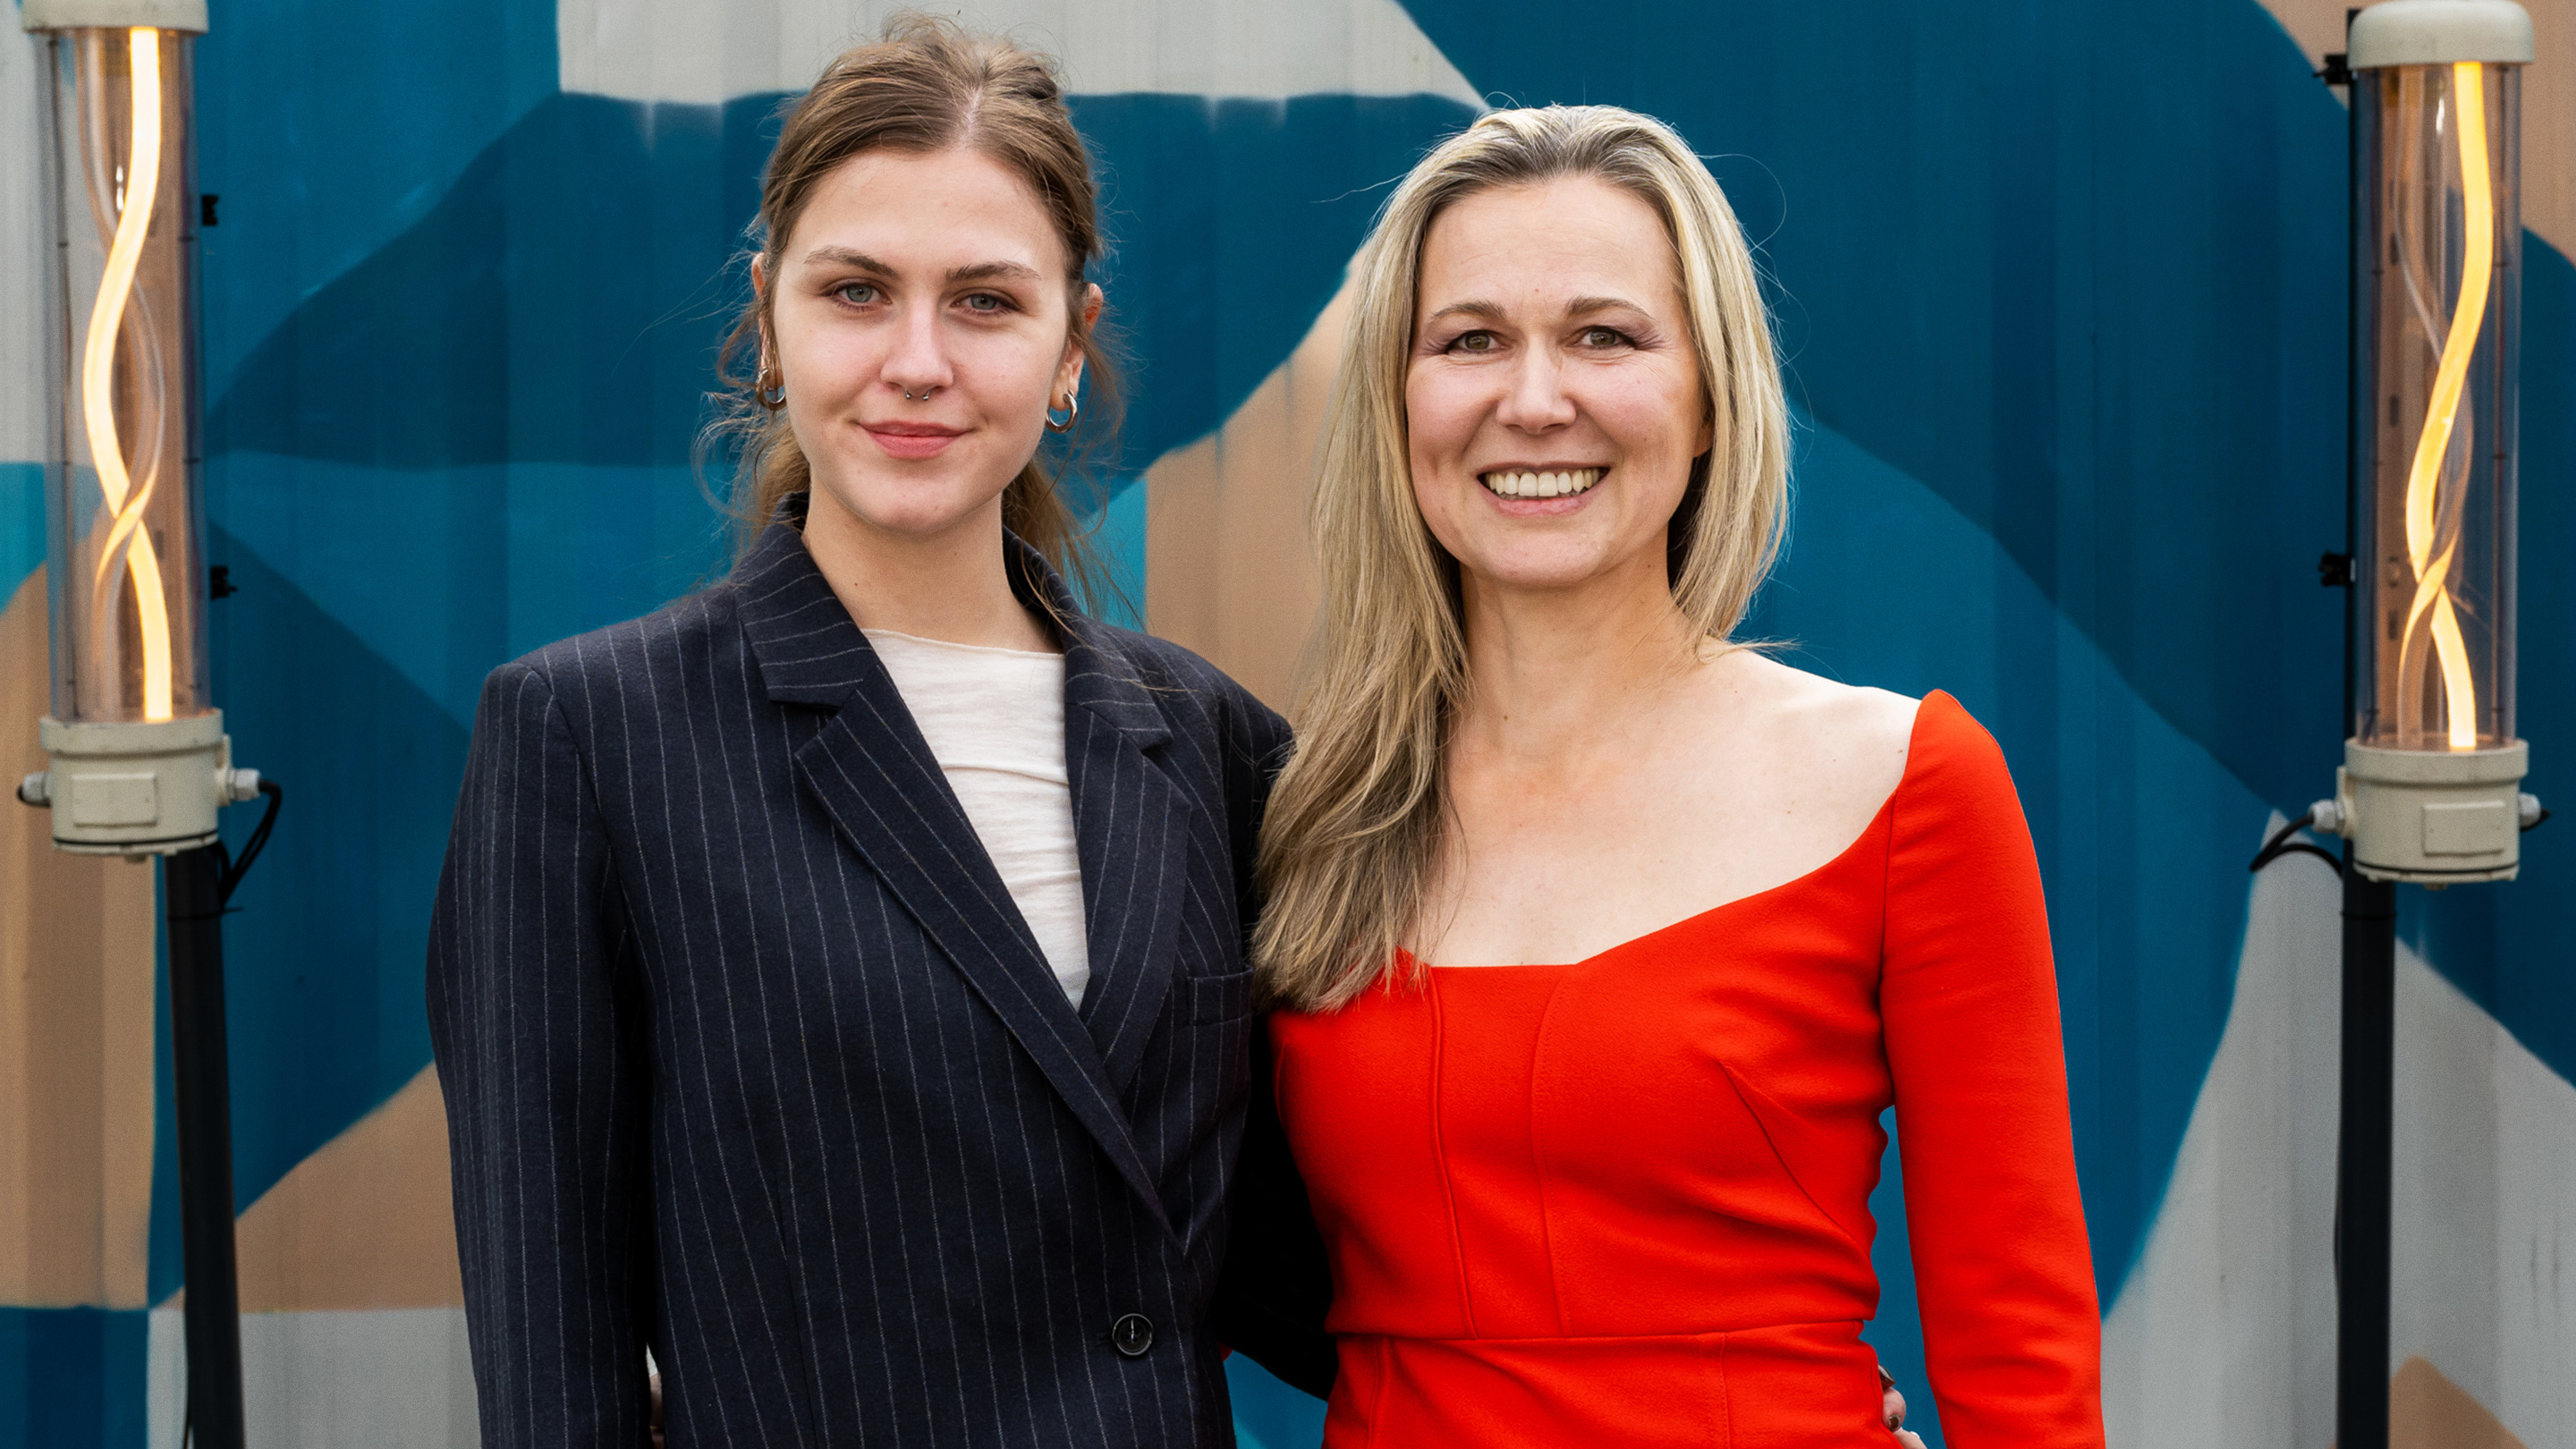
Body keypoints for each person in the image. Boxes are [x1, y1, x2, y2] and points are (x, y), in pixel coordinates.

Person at [427, 21, 1309, 1445]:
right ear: (769, 319)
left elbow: (1326, 1255)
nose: (916, 361)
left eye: (986, 301)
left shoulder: (1207, 739)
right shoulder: (587, 739)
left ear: (1071, 343)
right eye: (856, 292)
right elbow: (552, 1348)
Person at [1242, 106, 2103, 1447]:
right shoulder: (1309, 809)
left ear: (1710, 398)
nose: (1536, 401)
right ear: (1398, 403)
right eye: (1470, 340)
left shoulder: (1902, 786)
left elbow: (2023, 1354)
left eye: (1606, 336)